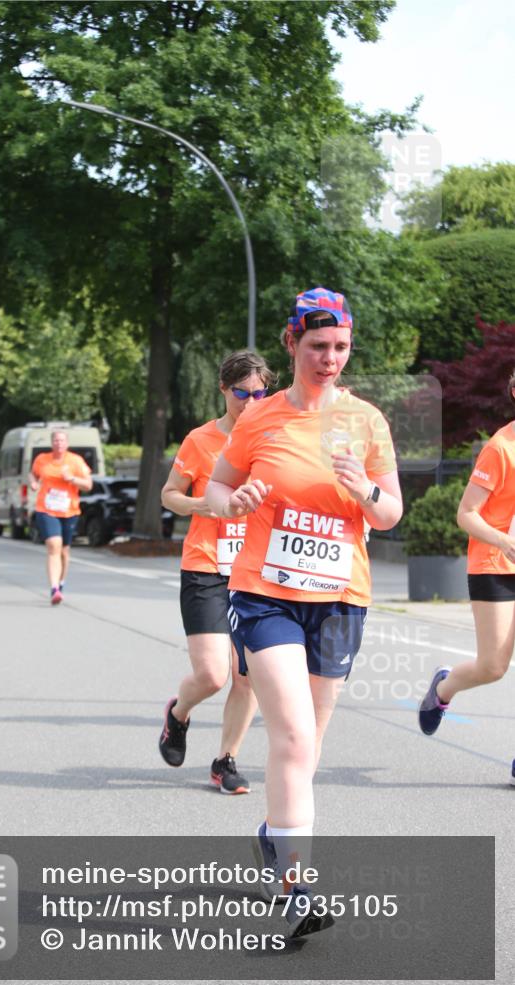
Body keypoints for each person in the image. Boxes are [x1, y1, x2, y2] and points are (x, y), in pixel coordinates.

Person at [204, 288, 402, 934]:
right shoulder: (260, 418)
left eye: (340, 348)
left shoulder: (367, 422)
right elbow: (216, 487)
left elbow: (389, 512)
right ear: (291, 344)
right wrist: (233, 505)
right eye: (317, 347)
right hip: (265, 592)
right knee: (289, 733)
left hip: (340, 596)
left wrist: (364, 490)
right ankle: (294, 887)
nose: (329, 359)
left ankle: (274, 831)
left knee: (308, 741)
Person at [159, 350, 276, 794]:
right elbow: (170, 494)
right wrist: (199, 505)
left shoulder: (271, 439)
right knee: (213, 674)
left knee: (247, 675)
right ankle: (178, 714)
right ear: (224, 390)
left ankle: (225, 761)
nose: (250, 401)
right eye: (241, 393)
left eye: (260, 393)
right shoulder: (200, 440)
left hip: (254, 570)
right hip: (206, 565)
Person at [419, 369, 515, 786]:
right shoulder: (500, 448)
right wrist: (504, 541)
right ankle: (444, 687)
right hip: (496, 564)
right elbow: (466, 514)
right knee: (494, 666)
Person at [29, 429, 93, 605]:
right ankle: (54, 588)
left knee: (64, 551)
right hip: (46, 509)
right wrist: (33, 483)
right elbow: (32, 474)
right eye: (56, 440)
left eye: (62, 440)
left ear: (67, 443)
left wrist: (72, 479)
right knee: (53, 546)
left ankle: (61, 582)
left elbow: (88, 484)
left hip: (69, 511)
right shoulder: (42, 459)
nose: (59, 443)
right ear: (52, 443)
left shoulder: (75, 461)